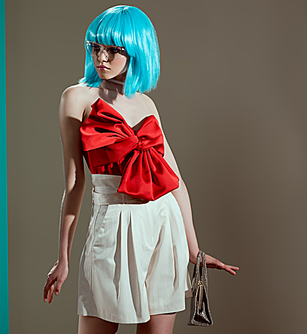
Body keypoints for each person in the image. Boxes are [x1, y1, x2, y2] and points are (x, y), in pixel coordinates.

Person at [42, 5, 239, 334]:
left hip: (162, 227)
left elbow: (175, 183)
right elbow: (75, 184)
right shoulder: (75, 99)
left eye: (113, 50)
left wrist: (193, 249)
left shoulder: (146, 104)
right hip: (111, 226)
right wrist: (63, 257)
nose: (101, 57)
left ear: (136, 51)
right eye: (96, 47)